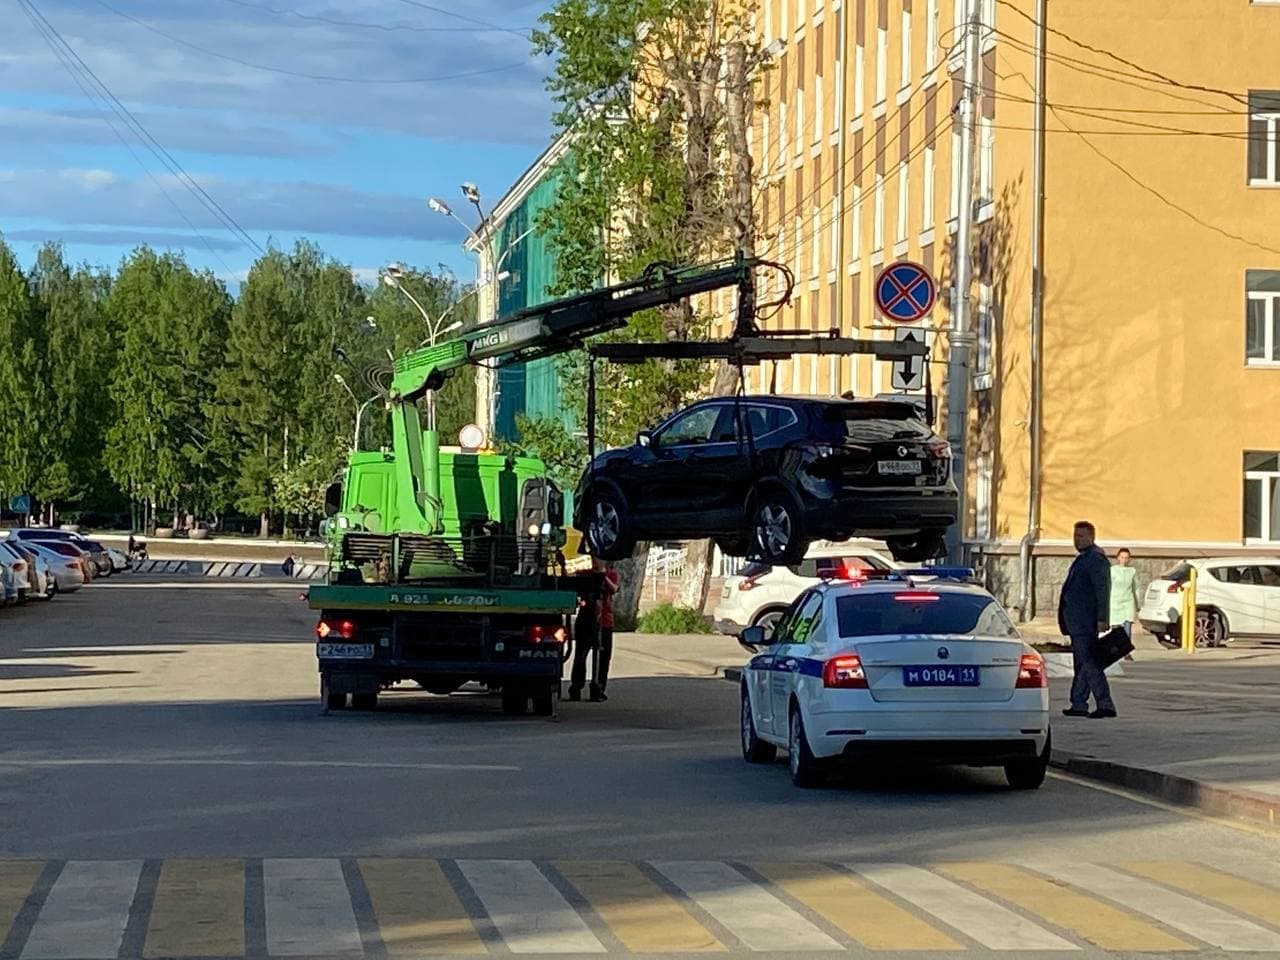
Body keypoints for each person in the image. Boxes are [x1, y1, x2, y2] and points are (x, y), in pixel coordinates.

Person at [1058, 520, 1117, 719]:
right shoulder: (1083, 558)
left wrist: (1102, 618)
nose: (1078, 539)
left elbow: (1103, 590)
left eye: (1082, 536)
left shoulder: (1095, 559)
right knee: (1082, 664)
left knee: (1090, 663)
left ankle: (1105, 703)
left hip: (1086, 621)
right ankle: (1079, 703)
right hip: (1077, 621)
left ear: (1092, 537)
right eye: (1076, 536)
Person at [568, 559, 620, 703]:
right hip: (586, 619)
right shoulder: (586, 575)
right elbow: (570, 580)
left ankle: (598, 688)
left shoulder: (611, 574)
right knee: (580, 655)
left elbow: (614, 588)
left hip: (604, 622)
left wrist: (603, 575)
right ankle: (576, 687)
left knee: (603, 657)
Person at [1109, 547, 1140, 643]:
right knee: (1116, 629)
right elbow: (1108, 587)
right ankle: (1115, 650)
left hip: (1128, 602)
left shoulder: (1132, 571)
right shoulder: (1112, 570)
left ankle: (1126, 650)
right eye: (1122, 557)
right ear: (1118, 558)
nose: (1124, 560)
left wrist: (1137, 604)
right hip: (1115, 603)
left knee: (1127, 627)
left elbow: (1136, 588)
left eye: (1126, 558)